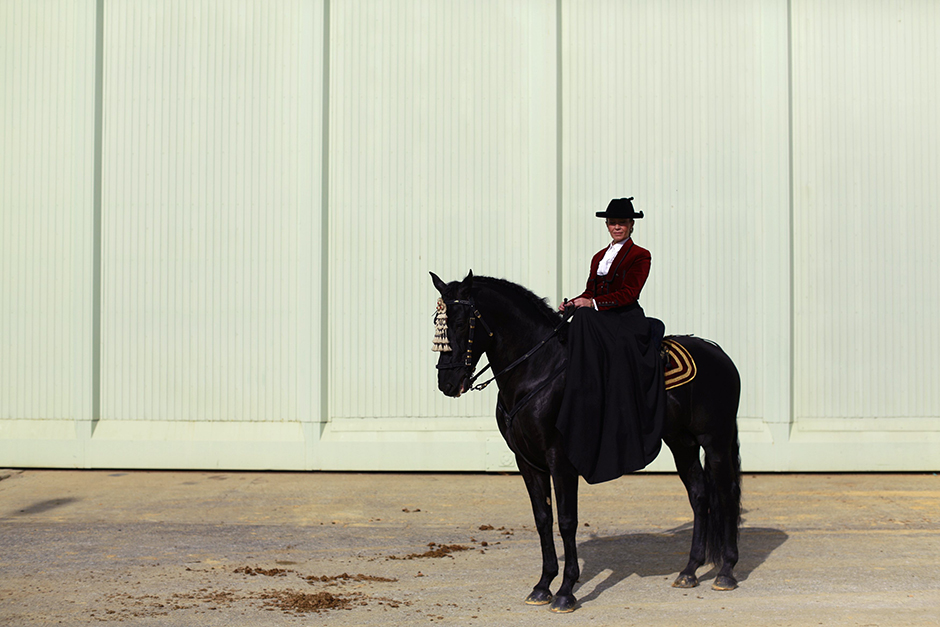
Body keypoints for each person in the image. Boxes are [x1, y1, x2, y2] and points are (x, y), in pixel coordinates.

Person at [556, 197, 666, 484]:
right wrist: (573, 303)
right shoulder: (597, 257)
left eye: (622, 223)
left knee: (584, 319)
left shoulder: (641, 255)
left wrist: (590, 305)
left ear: (631, 225)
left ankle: (588, 381)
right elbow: (589, 290)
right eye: (613, 223)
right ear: (607, 226)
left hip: (625, 319)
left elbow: (629, 293)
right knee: (574, 320)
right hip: (601, 316)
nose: (617, 227)